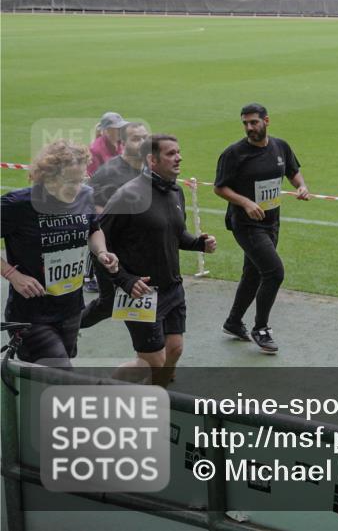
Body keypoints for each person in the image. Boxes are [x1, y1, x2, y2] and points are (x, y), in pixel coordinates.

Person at [100, 134, 216, 387]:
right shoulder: (127, 196)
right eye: (171, 153)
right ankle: (106, 389)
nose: (179, 157)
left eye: (179, 152)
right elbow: (99, 243)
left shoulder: (176, 191)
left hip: (172, 287)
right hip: (140, 293)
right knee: (151, 362)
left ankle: (160, 391)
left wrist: (198, 243)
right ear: (152, 160)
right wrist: (125, 280)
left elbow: (176, 234)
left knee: (174, 350)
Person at [1, 140, 119, 367]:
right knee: (62, 375)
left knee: (46, 379)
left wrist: (102, 252)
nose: (76, 188)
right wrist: (12, 275)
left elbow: (93, 229)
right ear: (48, 177)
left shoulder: (85, 195)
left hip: (71, 308)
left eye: (81, 179)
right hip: (30, 314)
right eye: (69, 181)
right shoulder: (18, 205)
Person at [213, 103, 308, 354]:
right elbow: (220, 187)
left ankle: (233, 322)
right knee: (274, 272)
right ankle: (261, 328)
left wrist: (301, 186)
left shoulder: (280, 146)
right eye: (245, 123)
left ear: (267, 121)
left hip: (271, 222)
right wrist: (245, 203)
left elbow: (292, 171)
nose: (249, 128)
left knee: (253, 273)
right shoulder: (234, 154)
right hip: (246, 224)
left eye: (254, 122)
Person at [81, 122, 150, 329]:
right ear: (122, 142)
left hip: (137, 249)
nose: (143, 143)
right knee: (109, 304)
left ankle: (150, 350)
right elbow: (89, 210)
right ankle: (64, 329)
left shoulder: (148, 168)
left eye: (145, 137)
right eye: (136, 139)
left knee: (144, 297)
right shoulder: (109, 173)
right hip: (110, 251)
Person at [87, 112, 129, 176]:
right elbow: (94, 178)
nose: (121, 131)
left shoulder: (122, 143)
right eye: (118, 128)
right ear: (107, 130)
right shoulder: (95, 150)